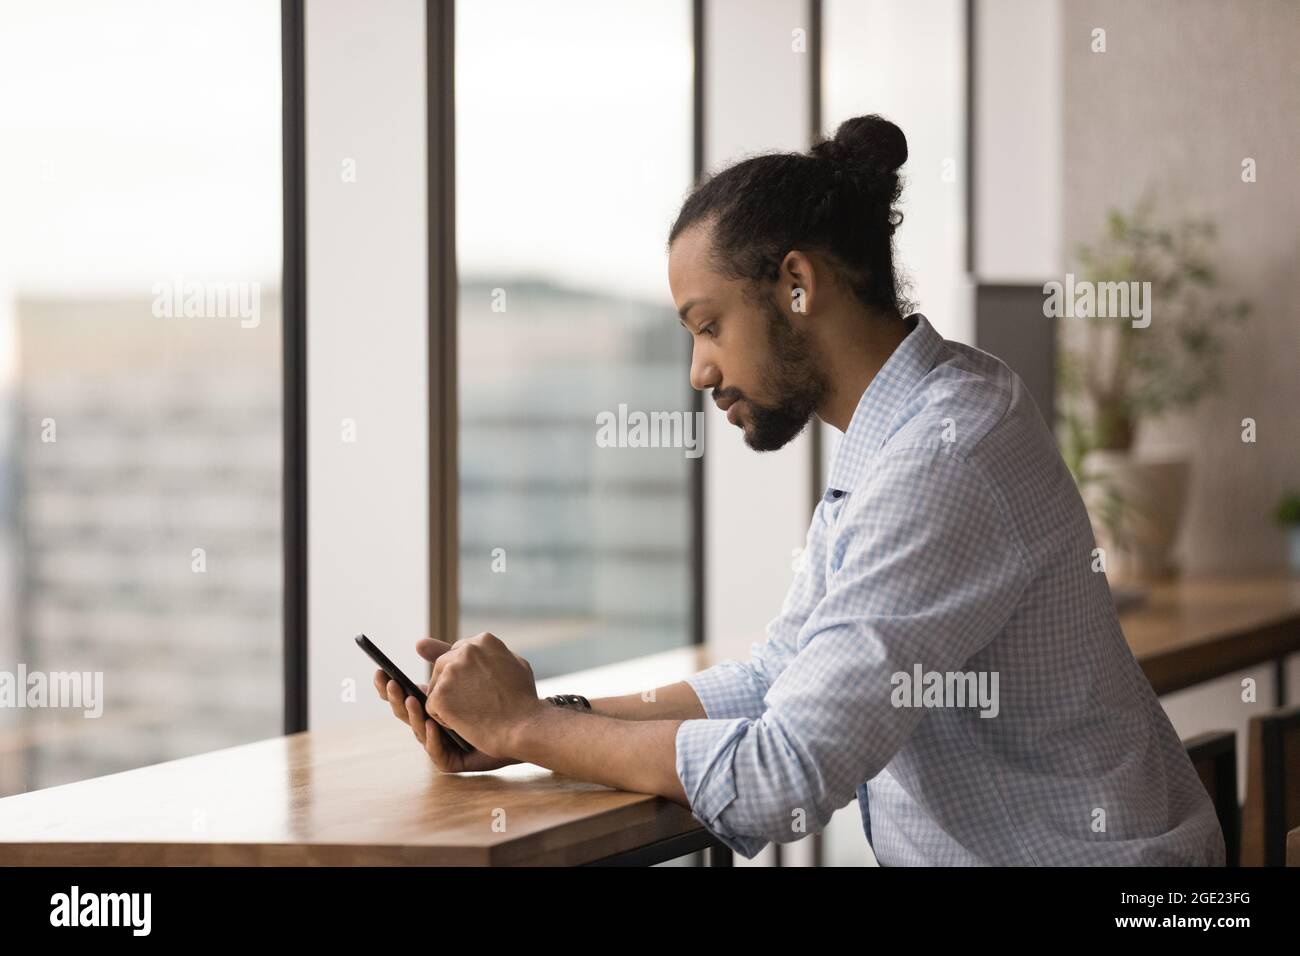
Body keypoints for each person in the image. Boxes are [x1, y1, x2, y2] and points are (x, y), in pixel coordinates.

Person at [375, 114, 1225, 865]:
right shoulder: (915, 420)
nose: (701, 369)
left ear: (797, 284)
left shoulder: (942, 452)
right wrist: (540, 720)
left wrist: (530, 728)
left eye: (708, 325)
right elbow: (784, 673)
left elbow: (779, 777)